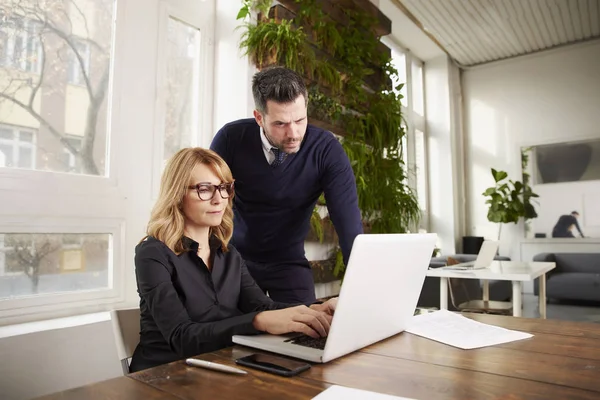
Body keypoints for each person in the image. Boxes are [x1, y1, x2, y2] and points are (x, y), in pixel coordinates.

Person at [130, 147, 337, 372]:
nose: (219, 199)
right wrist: (258, 321)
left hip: (216, 367)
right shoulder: (152, 253)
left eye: (224, 188)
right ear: (177, 195)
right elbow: (182, 337)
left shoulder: (228, 254)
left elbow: (263, 306)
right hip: (161, 376)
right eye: (205, 189)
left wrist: (316, 309)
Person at [210, 66, 363, 304]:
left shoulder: (326, 151)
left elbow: (348, 221)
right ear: (259, 117)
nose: (293, 133)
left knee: (306, 332)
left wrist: (361, 289)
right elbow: (204, 202)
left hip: (289, 261)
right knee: (232, 333)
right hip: (235, 258)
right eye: (280, 123)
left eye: (300, 120)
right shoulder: (230, 140)